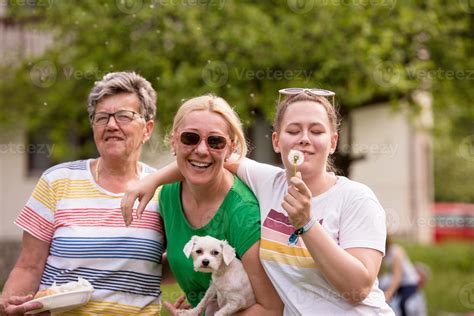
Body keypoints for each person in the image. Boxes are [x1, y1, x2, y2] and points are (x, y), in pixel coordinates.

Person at [122, 88, 394, 315]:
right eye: (293, 130)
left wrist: (307, 224)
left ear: (333, 142)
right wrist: (153, 180)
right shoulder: (267, 182)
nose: (304, 139)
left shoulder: (356, 199)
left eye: (317, 131)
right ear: (276, 141)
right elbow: (205, 157)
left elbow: (358, 289)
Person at [0, 72, 165, 315]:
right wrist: (8, 304)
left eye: (123, 116)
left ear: (147, 129)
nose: (111, 125)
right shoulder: (57, 181)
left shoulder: (164, 191)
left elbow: (180, 261)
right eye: (102, 118)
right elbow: (28, 266)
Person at [123, 95, 282, 315]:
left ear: (230, 148)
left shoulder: (242, 213)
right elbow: (180, 260)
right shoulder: (169, 194)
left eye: (215, 141)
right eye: (190, 138)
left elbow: (272, 309)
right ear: (174, 141)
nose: (202, 150)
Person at [380, 237, 427, 316]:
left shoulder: (396, 251)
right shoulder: (384, 254)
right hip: (401, 284)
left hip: (409, 283)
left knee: (403, 303)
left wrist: (388, 294)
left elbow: (397, 277)